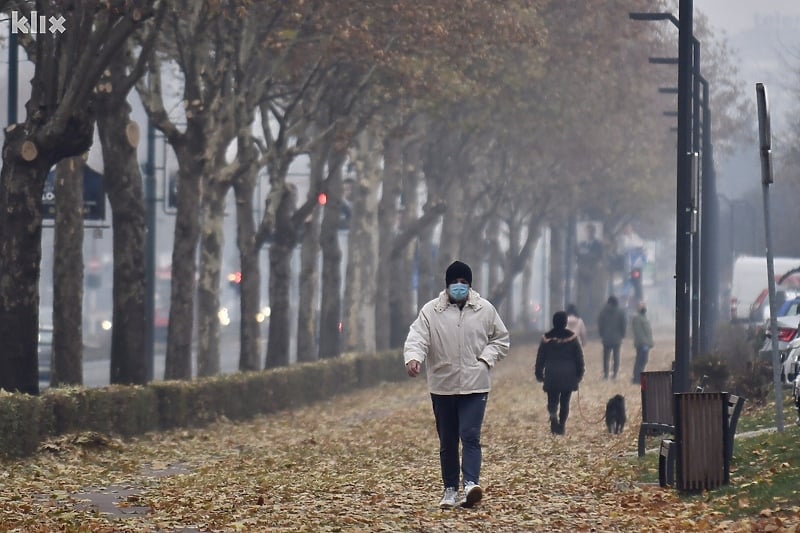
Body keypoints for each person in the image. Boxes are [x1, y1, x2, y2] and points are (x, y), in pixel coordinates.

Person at [404, 260, 510, 510]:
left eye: (464, 282)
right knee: (448, 440)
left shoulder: (485, 309)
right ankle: (450, 489)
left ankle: (471, 484)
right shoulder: (431, 311)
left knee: (470, 436)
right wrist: (413, 358)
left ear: (470, 285)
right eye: (455, 282)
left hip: (476, 384)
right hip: (443, 385)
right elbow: (417, 337)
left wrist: (485, 359)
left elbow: (501, 340)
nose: (460, 286)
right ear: (447, 285)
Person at [534, 311, 585, 435]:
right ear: (565, 322)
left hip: (551, 373)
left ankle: (553, 418)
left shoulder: (546, 338)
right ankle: (561, 425)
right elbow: (579, 358)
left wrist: (539, 373)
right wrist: (579, 374)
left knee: (552, 400)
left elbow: (540, 357)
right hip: (568, 374)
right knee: (565, 401)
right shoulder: (572, 338)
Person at [597, 295, 626, 380]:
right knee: (616, 357)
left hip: (606, 337)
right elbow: (623, 324)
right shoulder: (621, 312)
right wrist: (622, 335)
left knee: (606, 357)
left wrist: (601, 334)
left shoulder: (603, 311)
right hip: (617, 338)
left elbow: (600, 324)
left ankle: (606, 375)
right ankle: (615, 374)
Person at [631, 302, 654, 385]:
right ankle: (636, 379)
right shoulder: (637, 318)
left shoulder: (644, 318)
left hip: (646, 344)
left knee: (643, 361)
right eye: (641, 306)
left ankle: (638, 377)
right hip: (642, 345)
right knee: (640, 361)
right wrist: (644, 343)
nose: (643, 307)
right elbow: (638, 332)